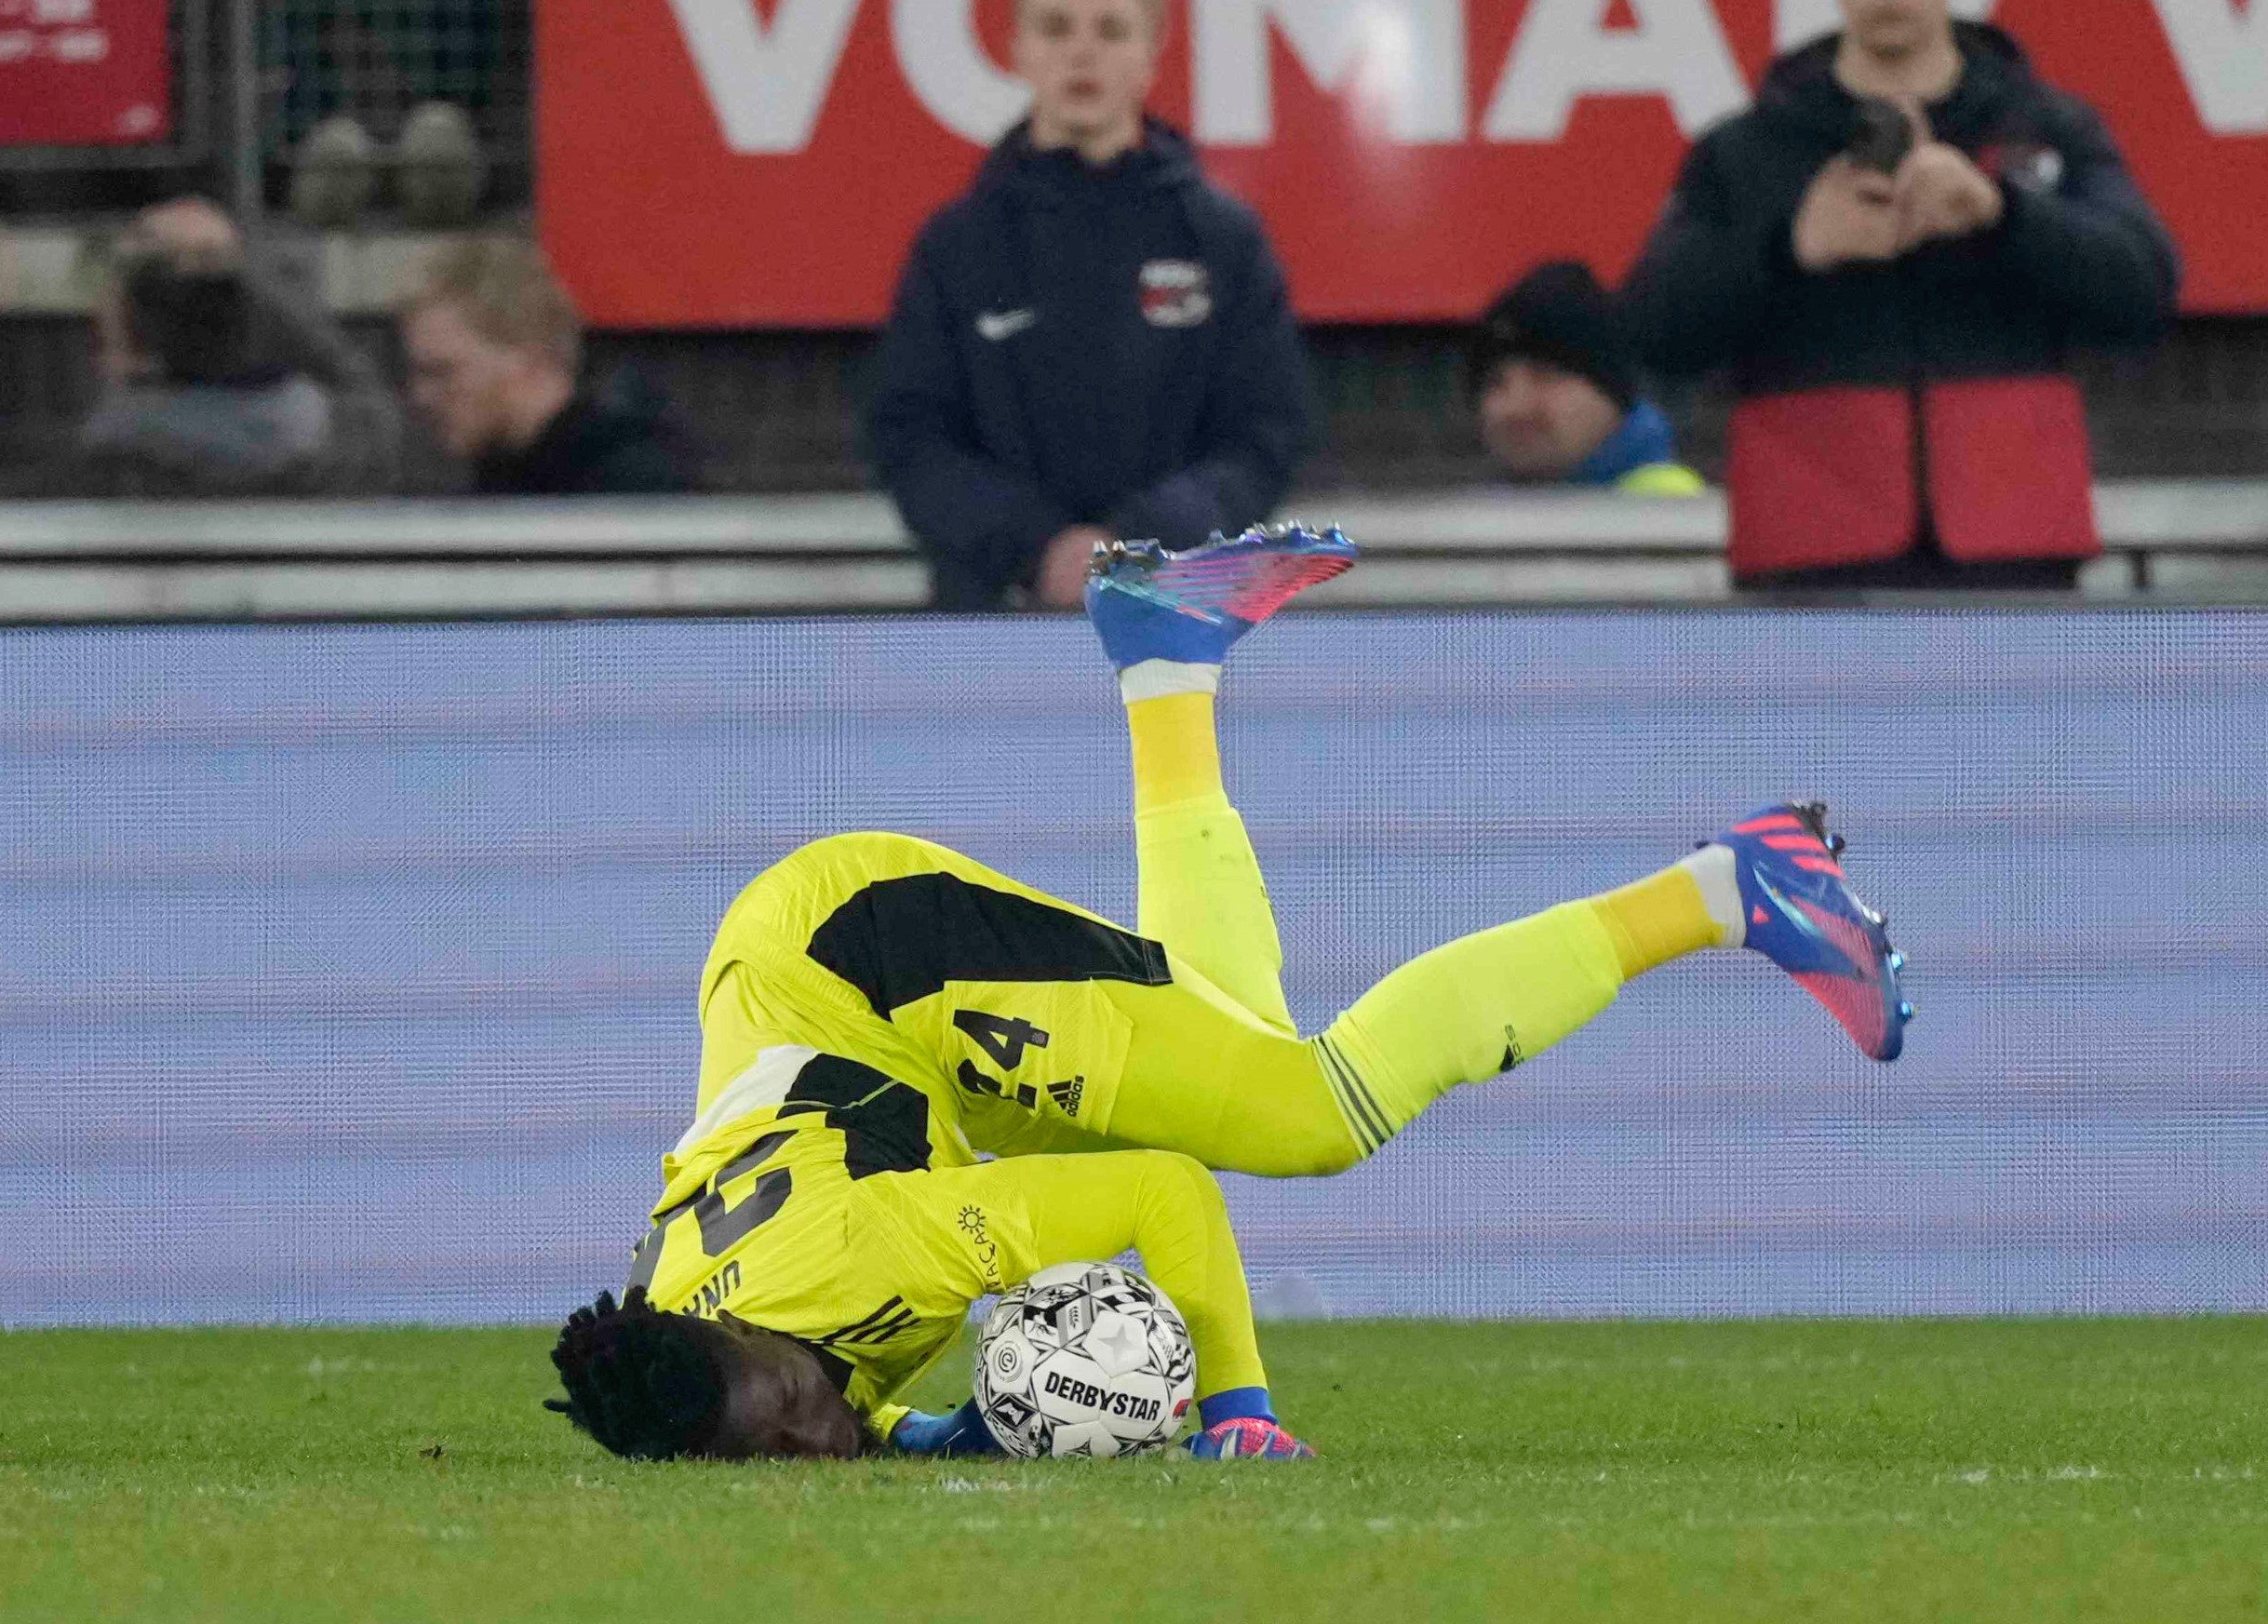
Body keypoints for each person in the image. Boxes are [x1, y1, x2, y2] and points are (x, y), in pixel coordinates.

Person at [544, 526, 1907, 1463]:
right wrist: (951, 1431)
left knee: (1306, 1112)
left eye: (784, 1408)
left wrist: (1234, 1406)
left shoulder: (871, 1254)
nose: (805, 1436)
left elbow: (1163, 1199)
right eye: (769, 1448)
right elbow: (830, 1396)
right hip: (836, 1020)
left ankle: (1733, 886)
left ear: (738, 1337)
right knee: (1226, 1043)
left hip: (869, 961)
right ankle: (1166, 659)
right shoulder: (701, 1344)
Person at [1622, 0, 2178, 592]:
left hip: (2013, 558)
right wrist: (1791, 248)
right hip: (1811, 561)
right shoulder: (1747, 149)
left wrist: (2001, 215)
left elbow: (2145, 291)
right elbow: (1653, 331)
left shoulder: (2047, 127)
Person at [864, 0, 1317, 611]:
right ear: (1018, 51)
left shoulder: (1224, 242)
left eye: (1110, 31)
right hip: (991, 623)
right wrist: (1038, 551)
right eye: (1055, 28)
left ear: (1149, 56)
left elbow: (1266, 435)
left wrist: (1139, 544)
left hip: (1182, 622)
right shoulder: (957, 246)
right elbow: (909, 438)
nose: (1082, 53)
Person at [0, 201, 402, 497]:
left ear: (128, 361)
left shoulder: (95, 488)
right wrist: (227, 263)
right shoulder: (335, 467)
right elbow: (368, 399)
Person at [399, 237, 696, 495]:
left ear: (529, 358)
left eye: (443, 371)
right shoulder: (509, 474)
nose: (421, 396)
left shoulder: (630, 484)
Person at [1470, 260, 1705, 494]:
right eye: (1495, 383)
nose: (1515, 407)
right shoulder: (1484, 509)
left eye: (1546, 376)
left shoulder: (1666, 504)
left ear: (1612, 393)